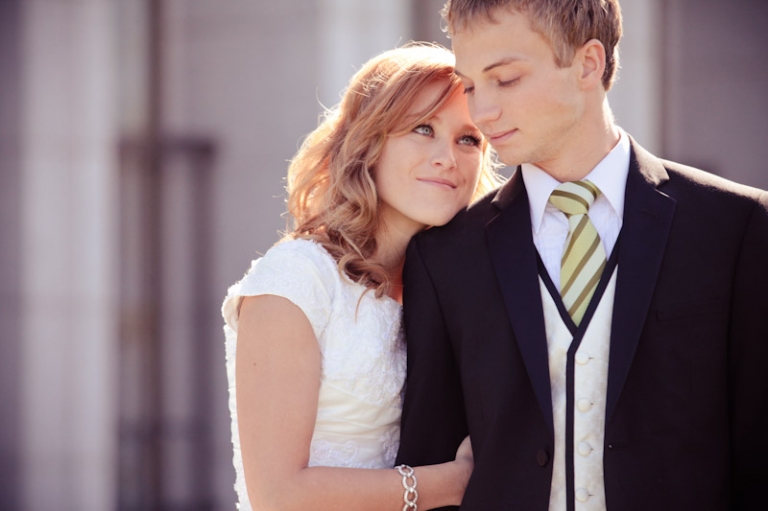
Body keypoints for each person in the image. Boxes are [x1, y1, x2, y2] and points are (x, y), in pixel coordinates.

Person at [396, 1, 768, 510]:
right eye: (471, 85)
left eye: (504, 79)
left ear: (588, 64)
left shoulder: (736, 226)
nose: (481, 112)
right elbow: (429, 456)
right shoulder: (445, 257)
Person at [222, 43, 502, 511]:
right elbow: (278, 495)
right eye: (423, 128)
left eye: (468, 139)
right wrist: (453, 484)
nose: (447, 157)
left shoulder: (449, 289)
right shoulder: (296, 279)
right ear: (370, 142)